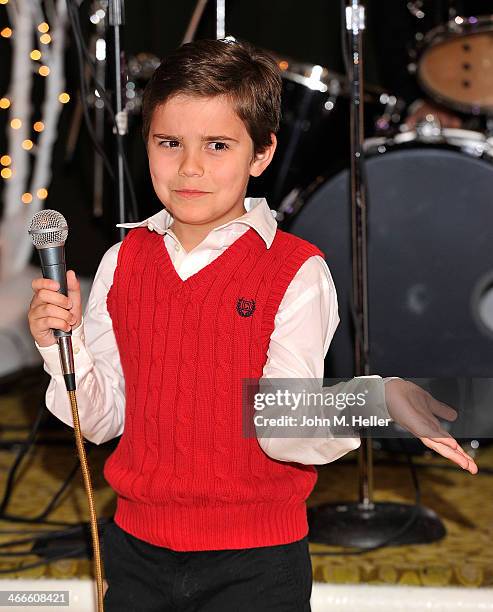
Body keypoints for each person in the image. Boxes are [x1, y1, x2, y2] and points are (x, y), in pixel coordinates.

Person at [28, 39, 478, 612]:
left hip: (256, 562)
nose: (190, 167)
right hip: (135, 549)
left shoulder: (295, 270)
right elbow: (97, 419)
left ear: (262, 154)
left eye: (218, 145)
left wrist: (376, 401)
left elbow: (282, 427)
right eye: (170, 144)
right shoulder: (123, 262)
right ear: (146, 145)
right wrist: (58, 347)